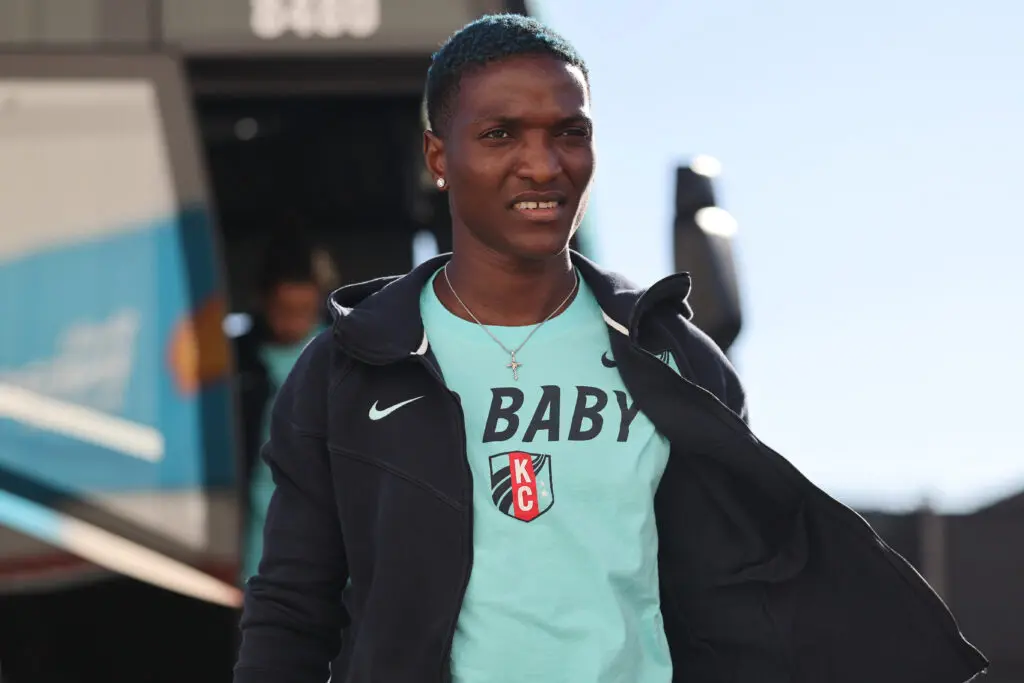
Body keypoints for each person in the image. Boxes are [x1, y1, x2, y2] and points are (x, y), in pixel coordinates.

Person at [234, 14, 987, 683]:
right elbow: (293, 613)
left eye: (570, 130)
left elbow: (740, 602)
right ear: (438, 156)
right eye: (501, 133)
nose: (543, 163)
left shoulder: (676, 362)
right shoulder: (345, 369)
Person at [234, 247, 325, 581]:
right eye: (284, 311)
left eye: (305, 310)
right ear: (262, 301)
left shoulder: (340, 355)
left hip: (323, 540)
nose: (295, 322)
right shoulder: (239, 361)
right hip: (255, 539)